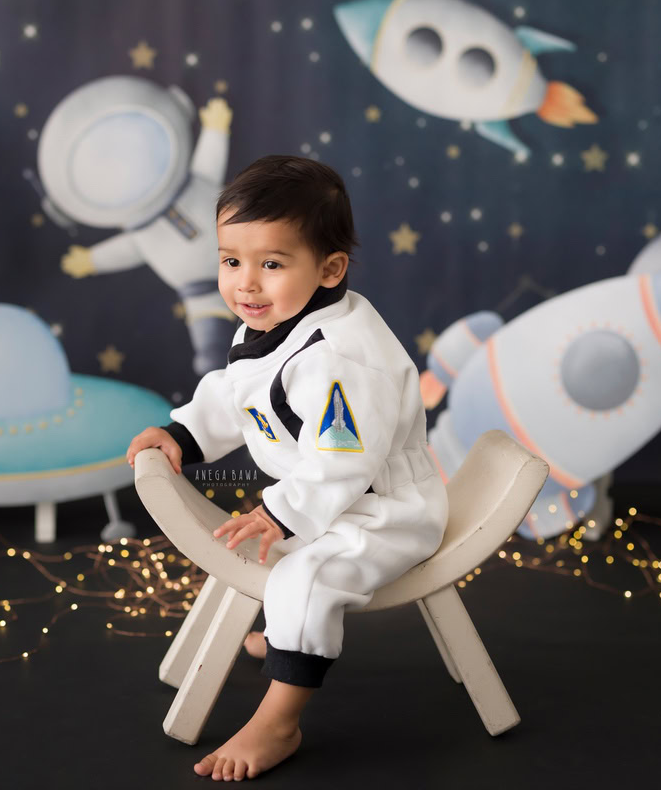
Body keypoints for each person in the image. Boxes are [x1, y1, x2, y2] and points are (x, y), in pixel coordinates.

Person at [126, 155, 448, 781]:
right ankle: (285, 638)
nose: (246, 283)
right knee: (271, 552)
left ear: (330, 269)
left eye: (271, 264)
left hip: (381, 512)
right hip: (331, 500)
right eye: (231, 261)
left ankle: (279, 722)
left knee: (304, 578)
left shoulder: (340, 358)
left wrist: (280, 511)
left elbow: (343, 459)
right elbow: (235, 390)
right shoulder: (279, 319)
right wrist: (182, 435)